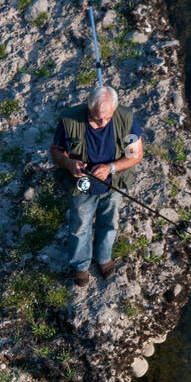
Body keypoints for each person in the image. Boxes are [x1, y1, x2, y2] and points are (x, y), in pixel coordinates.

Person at [50, 84, 144, 287]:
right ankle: (81, 265)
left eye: (107, 118)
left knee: (109, 222)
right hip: (82, 185)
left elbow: (135, 154)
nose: (102, 123)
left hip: (112, 184)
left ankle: (103, 258)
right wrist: (69, 163)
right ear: (88, 107)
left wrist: (111, 167)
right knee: (80, 224)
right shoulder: (70, 121)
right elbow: (56, 150)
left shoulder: (125, 120)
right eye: (96, 118)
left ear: (114, 110)